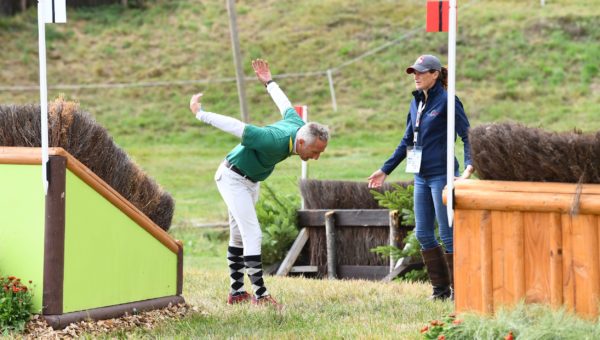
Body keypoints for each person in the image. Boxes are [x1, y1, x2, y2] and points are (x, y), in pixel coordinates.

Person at [189, 59, 329, 307]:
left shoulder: (299, 126)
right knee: (252, 233)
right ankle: (261, 295)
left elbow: (285, 105)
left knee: (239, 236)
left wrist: (269, 82)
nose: (316, 157)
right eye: (316, 152)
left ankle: (236, 292)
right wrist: (201, 114)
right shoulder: (271, 140)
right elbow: (236, 126)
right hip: (232, 177)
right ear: (302, 143)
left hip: (250, 181)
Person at [367, 54, 473, 300]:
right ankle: (441, 291)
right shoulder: (416, 102)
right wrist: (385, 169)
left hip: (443, 176)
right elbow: (407, 140)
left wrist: (468, 169)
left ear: (435, 74)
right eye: (414, 72)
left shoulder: (448, 100)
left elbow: (468, 136)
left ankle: (462, 292)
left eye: (421, 72)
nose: (416, 76)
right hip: (421, 177)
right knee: (424, 233)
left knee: (447, 235)